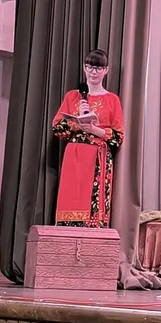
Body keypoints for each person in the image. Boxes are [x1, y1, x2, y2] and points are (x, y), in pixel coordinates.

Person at [52, 49, 124, 227]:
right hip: (74, 153)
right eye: (90, 67)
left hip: (97, 156)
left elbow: (118, 137)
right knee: (71, 196)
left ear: (106, 70)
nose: (93, 72)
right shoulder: (72, 96)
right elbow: (58, 128)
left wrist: (93, 129)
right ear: (84, 68)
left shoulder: (112, 100)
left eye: (98, 68)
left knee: (92, 202)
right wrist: (77, 121)